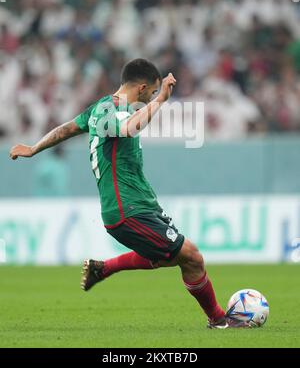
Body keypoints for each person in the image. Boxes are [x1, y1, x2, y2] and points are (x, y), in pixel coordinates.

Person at [10, 58, 247, 329]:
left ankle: (103, 269)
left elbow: (68, 128)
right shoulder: (112, 110)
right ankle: (219, 321)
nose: (150, 99)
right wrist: (161, 101)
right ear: (143, 88)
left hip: (142, 203)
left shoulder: (101, 108)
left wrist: (34, 147)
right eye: (151, 93)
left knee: (169, 257)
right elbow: (127, 128)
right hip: (127, 209)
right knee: (192, 257)